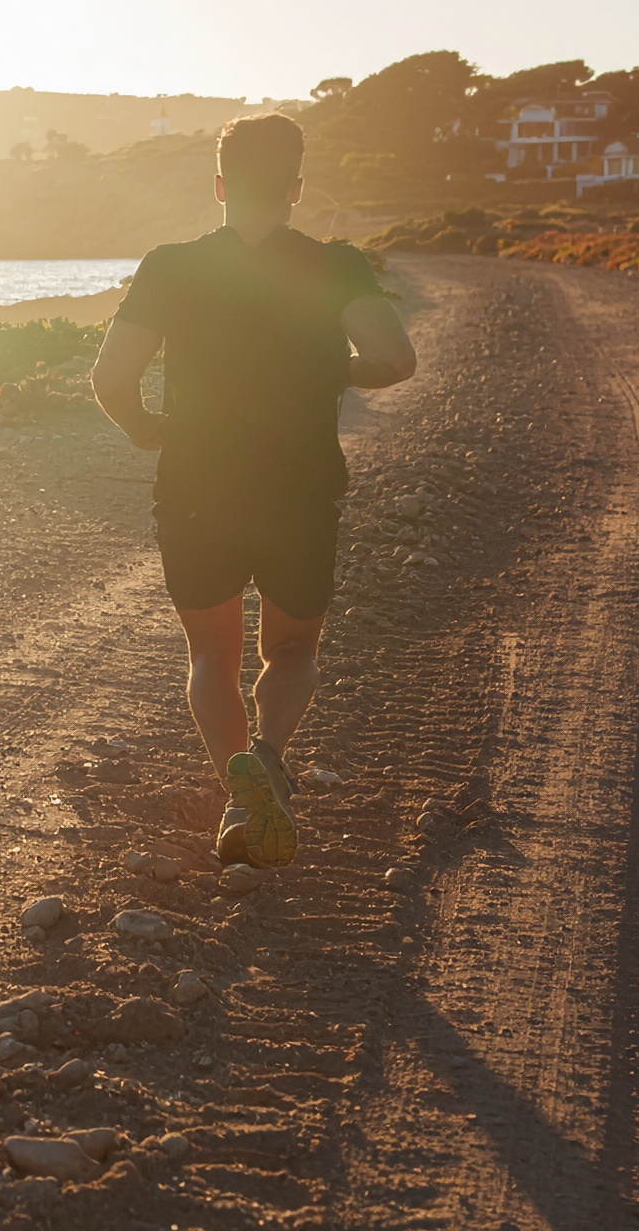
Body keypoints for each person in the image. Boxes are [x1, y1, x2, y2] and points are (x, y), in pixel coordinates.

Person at [88, 113, 415, 867]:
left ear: (219, 185)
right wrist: (342, 371)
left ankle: (240, 795)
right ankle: (266, 755)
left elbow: (110, 378)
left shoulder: (170, 266)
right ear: (297, 189)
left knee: (210, 655)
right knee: (293, 650)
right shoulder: (336, 266)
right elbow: (395, 358)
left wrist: (143, 427)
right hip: (300, 486)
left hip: (198, 481)